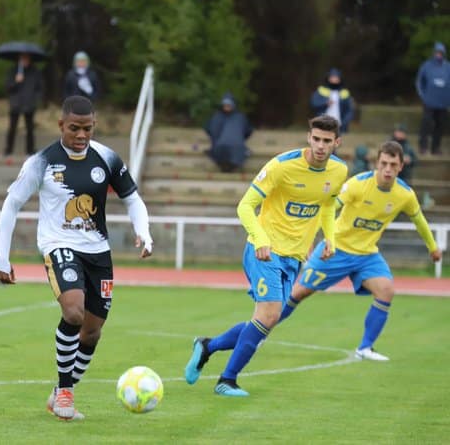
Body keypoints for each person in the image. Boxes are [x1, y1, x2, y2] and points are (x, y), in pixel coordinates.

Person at [0, 95, 153, 420]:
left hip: (98, 252)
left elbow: (133, 199)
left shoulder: (107, 158)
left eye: (88, 128)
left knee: (92, 332)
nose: (81, 135)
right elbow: (11, 205)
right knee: (74, 311)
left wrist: (144, 232)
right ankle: (66, 393)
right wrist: (1, 258)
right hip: (58, 245)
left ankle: (59, 391)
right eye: (75, 129)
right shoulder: (41, 162)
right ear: (60, 126)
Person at [184, 115, 348, 397]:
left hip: (294, 258)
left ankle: (206, 347)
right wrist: (260, 239)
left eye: (327, 141)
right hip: (264, 252)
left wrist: (329, 238)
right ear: (309, 137)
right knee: (269, 315)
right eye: (317, 139)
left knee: (264, 321)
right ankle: (227, 380)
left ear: (337, 143)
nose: (321, 146)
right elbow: (245, 206)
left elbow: (327, 205)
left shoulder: (338, 171)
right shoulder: (281, 166)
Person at [279, 141, 441, 361]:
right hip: (335, 250)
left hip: (367, 255)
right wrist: (312, 239)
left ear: (401, 166)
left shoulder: (405, 194)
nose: (388, 169)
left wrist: (432, 247)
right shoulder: (357, 184)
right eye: (384, 163)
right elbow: (329, 209)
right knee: (298, 293)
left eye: (393, 164)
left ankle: (365, 348)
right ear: (376, 163)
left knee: (386, 290)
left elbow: (419, 219)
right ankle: (260, 332)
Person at [4, 53, 44, 156]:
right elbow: (8, 88)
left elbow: (39, 88)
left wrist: (35, 100)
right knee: (12, 127)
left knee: (30, 128)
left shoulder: (35, 72)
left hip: (29, 103)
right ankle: (8, 149)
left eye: (26, 59)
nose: (24, 61)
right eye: (22, 59)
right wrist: (16, 81)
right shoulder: (13, 71)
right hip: (16, 103)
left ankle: (30, 150)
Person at [204, 92, 253, 172]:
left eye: (228, 105)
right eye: (225, 105)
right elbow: (248, 131)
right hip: (227, 149)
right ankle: (228, 166)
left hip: (227, 149)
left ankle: (228, 166)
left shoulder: (239, 117)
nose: (227, 107)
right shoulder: (219, 117)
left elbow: (209, 131)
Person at [415, 42, 450, 155]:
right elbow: (419, 82)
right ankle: (423, 146)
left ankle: (436, 148)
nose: (438, 55)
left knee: (440, 126)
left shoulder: (448, 67)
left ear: (444, 54)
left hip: (443, 103)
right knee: (426, 124)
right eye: (437, 52)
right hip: (429, 102)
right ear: (434, 53)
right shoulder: (426, 65)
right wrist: (423, 96)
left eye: (441, 53)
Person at [311, 68, 355, 134]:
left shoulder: (345, 92)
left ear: (340, 79)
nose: (334, 79)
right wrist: (325, 103)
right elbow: (314, 103)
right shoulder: (321, 90)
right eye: (332, 77)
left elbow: (349, 110)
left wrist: (345, 122)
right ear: (328, 78)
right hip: (323, 122)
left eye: (336, 77)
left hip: (340, 124)